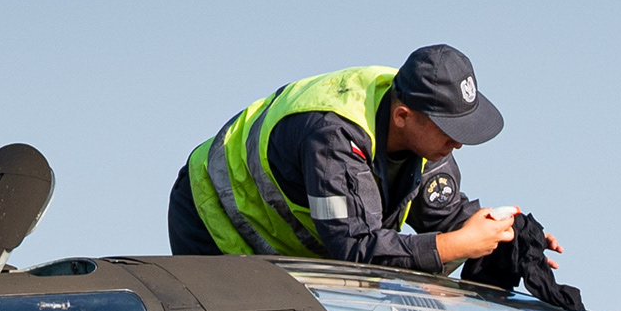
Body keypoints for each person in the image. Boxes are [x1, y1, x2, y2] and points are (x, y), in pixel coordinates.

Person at [170, 44, 528, 272]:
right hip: (215, 217)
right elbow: (356, 250)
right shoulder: (334, 139)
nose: (458, 143)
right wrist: (456, 246)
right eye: (449, 129)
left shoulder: (424, 129)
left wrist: (512, 234)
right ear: (402, 116)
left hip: (291, 250)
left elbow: (444, 214)